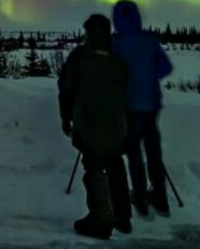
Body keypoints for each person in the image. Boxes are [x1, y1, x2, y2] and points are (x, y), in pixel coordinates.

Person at [58, 14, 132, 240]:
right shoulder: (120, 58)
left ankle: (101, 218)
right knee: (115, 162)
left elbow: (66, 88)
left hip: (88, 123)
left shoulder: (80, 56)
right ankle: (122, 216)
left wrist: (65, 117)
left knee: (94, 166)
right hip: (117, 125)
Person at [112, 0, 173, 217]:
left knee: (134, 152)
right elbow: (166, 67)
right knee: (154, 152)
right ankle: (160, 198)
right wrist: (149, 77)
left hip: (129, 107)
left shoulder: (116, 44)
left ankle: (139, 197)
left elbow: (112, 74)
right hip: (152, 106)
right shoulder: (149, 41)